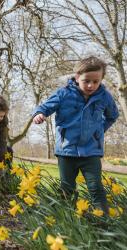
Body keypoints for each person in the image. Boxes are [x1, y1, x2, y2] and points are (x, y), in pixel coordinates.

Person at [32, 56, 119, 214]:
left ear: (101, 79)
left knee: (95, 187)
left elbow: (112, 115)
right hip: (67, 151)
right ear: (77, 77)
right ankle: (68, 221)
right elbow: (44, 107)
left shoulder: (104, 97)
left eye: (96, 81)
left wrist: (99, 131)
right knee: (67, 189)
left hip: (91, 152)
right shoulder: (63, 93)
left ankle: (104, 221)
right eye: (86, 80)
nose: (91, 85)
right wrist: (39, 114)